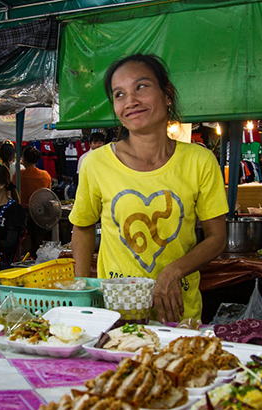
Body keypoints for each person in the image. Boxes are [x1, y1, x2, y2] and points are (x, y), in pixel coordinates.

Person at [69, 53, 228, 323]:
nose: (130, 101)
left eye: (141, 87)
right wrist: (83, 294)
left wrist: (174, 270)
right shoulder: (96, 163)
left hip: (178, 312)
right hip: (117, 313)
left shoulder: (200, 161)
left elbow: (217, 238)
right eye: (119, 94)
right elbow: (82, 227)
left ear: (168, 94)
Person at [14, 145, 52, 256]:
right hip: (40, 214)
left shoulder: (17, 176)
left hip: (23, 214)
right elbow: (48, 195)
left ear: (24, 159)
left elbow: (14, 195)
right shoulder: (45, 176)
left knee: (26, 242)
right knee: (39, 242)